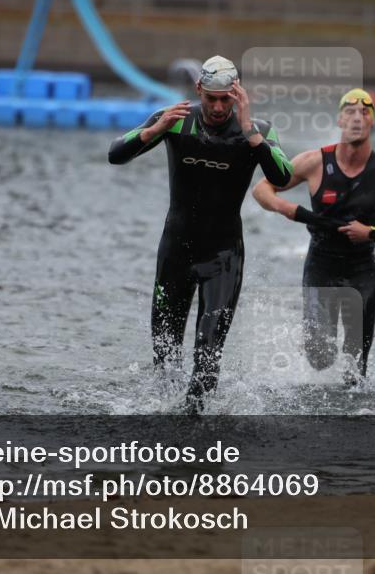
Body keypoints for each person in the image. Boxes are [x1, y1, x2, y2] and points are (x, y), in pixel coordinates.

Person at [108, 55, 293, 413]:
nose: (218, 107)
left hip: (222, 259)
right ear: (199, 90)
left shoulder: (258, 130)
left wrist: (251, 132)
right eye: (211, 98)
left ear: (237, 95)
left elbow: (283, 177)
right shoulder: (175, 121)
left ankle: (198, 449)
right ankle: (165, 447)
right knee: (165, 359)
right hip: (175, 254)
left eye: (226, 99)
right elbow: (116, 154)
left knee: (207, 361)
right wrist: (153, 131)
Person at [252, 89, 375, 383]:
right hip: (321, 266)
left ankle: (354, 423)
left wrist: (372, 233)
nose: (357, 118)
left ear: (372, 123)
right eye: (350, 112)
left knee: (355, 368)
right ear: (340, 120)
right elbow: (262, 189)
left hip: (362, 271)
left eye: (364, 112)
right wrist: (288, 208)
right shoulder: (314, 161)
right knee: (320, 359)